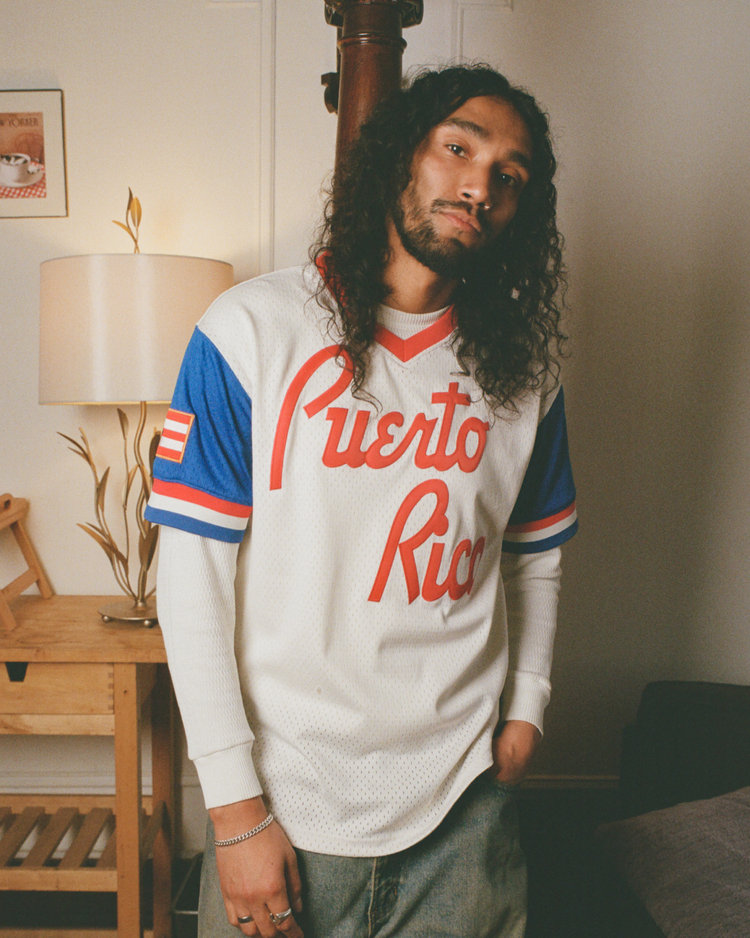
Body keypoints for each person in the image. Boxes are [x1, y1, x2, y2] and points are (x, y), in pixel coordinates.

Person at [146, 64, 577, 938]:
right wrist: (234, 814)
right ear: (399, 159)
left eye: (510, 176)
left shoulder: (525, 376)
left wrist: (527, 705)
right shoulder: (249, 331)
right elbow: (191, 576)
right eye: (458, 147)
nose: (478, 186)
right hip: (285, 806)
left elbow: (536, 552)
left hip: (463, 810)